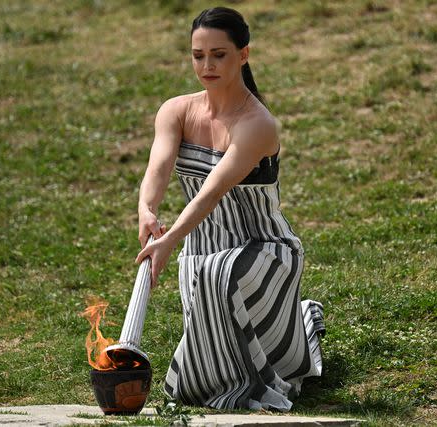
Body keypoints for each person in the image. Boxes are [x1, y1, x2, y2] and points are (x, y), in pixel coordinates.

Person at [134, 6, 325, 411]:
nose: (207, 65)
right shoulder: (176, 110)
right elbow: (159, 166)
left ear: (243, 55)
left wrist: (168, 240)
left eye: (219, 54)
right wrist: (147, 209)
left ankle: (250, 381)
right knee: (206, 272)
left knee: (217, 275)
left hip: (265, 248)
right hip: (200, 248)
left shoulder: (257, 123)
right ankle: (222, 379)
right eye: (198, 55)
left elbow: (212, 190)